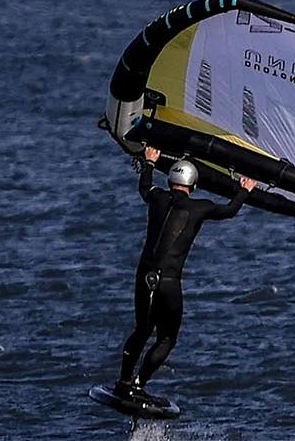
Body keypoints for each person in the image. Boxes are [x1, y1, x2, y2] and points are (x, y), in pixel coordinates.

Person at [114, 146, 257, 403]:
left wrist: (149, 162)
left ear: (170, 181)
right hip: (168, 283)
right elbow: (229, 210)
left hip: (145, 277)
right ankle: (138, 384)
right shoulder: (199, 207)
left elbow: (144, 186)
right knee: (167, 337)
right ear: (193, 184)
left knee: (142, 330)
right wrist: (244, 189)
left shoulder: (157, 197)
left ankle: (123, 383)